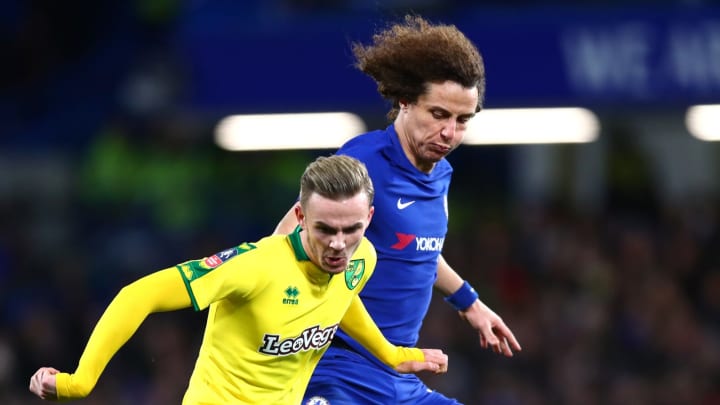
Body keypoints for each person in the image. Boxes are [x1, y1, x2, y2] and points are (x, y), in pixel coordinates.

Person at [28, 155, 448, 404]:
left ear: (368, 219)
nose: (339, 244)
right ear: (300, 218)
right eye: (325, 230)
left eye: (351, 229)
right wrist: (80, 381)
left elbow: (340, 300)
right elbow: (138, 295)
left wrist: (390, 354)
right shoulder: (256, 265)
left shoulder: (363, 259)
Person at [274, 14, 522, 405]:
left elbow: (415, 247)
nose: (449, 133)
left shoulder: (441, 173)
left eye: (462, 120)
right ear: (405, 101)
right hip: (336, 371)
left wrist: (470, 303)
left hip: (398, 373)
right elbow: (284, 240)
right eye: (438, 114)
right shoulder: (365, 163)